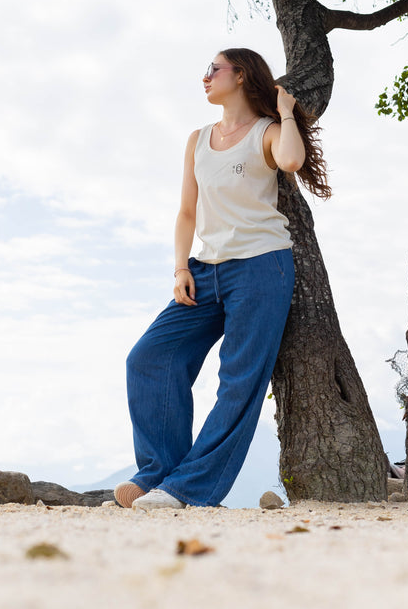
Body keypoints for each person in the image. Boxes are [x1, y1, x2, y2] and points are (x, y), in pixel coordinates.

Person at [114, 47, 330, 511]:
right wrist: (179, 268)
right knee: (149, 359)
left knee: (238, 382)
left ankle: (187, 490)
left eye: (215, 68)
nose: (206, 76)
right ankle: (158, 474)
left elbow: (291, 161)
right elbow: (186, 211)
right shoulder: (197, 139)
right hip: (203, 269)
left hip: (260, 266)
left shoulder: (267, 133)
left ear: (242, 75)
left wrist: (287, 112)